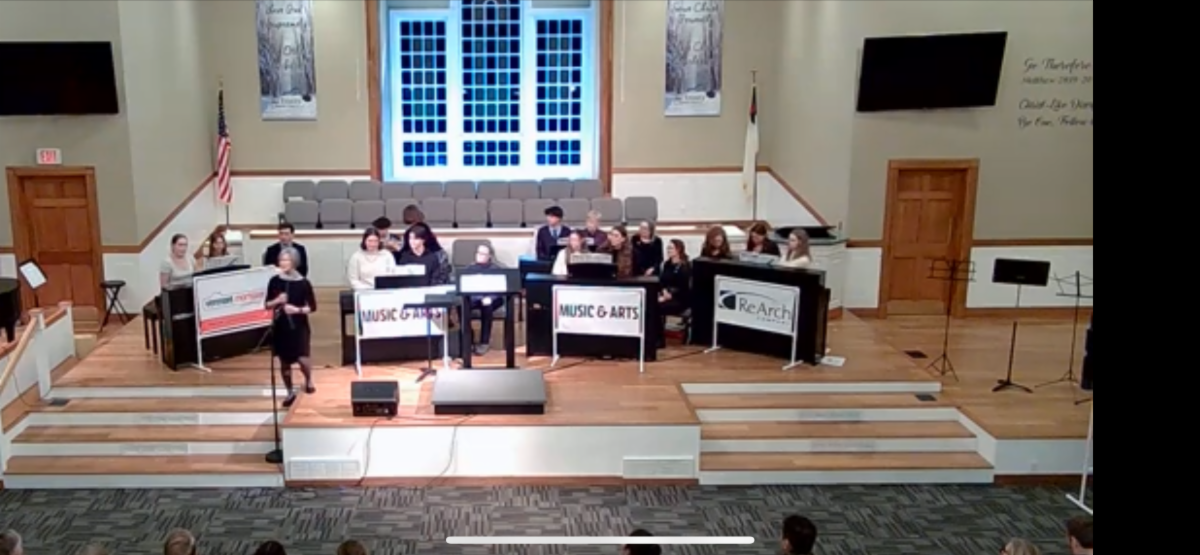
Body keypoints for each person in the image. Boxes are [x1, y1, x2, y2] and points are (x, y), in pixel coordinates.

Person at [266, 247, 317, 408]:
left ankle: (308, 379)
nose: (283, 263)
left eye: (287, 260)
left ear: (294, 262)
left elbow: (312, 307)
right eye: (281, 260)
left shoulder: (303, 283)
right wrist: (277, 301)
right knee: (284, 362)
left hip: (299, 325)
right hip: (281, 326)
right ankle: (289, 391)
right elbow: (267, 304)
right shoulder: (274, 281)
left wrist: (297, 310)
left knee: (302, 358)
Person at [463, 243, 505, 356]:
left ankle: (484, 342)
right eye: (478, 253)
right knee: (461, 305)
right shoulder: (469, 268)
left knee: (487, 306)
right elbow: (465, 287)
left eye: (483, 254)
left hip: (493, 298)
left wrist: (489, 298)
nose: (479, 255)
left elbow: (500, 289)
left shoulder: (496, 269)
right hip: (476, 297)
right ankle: (469, 339)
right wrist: (478, 298)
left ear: (489, 256)